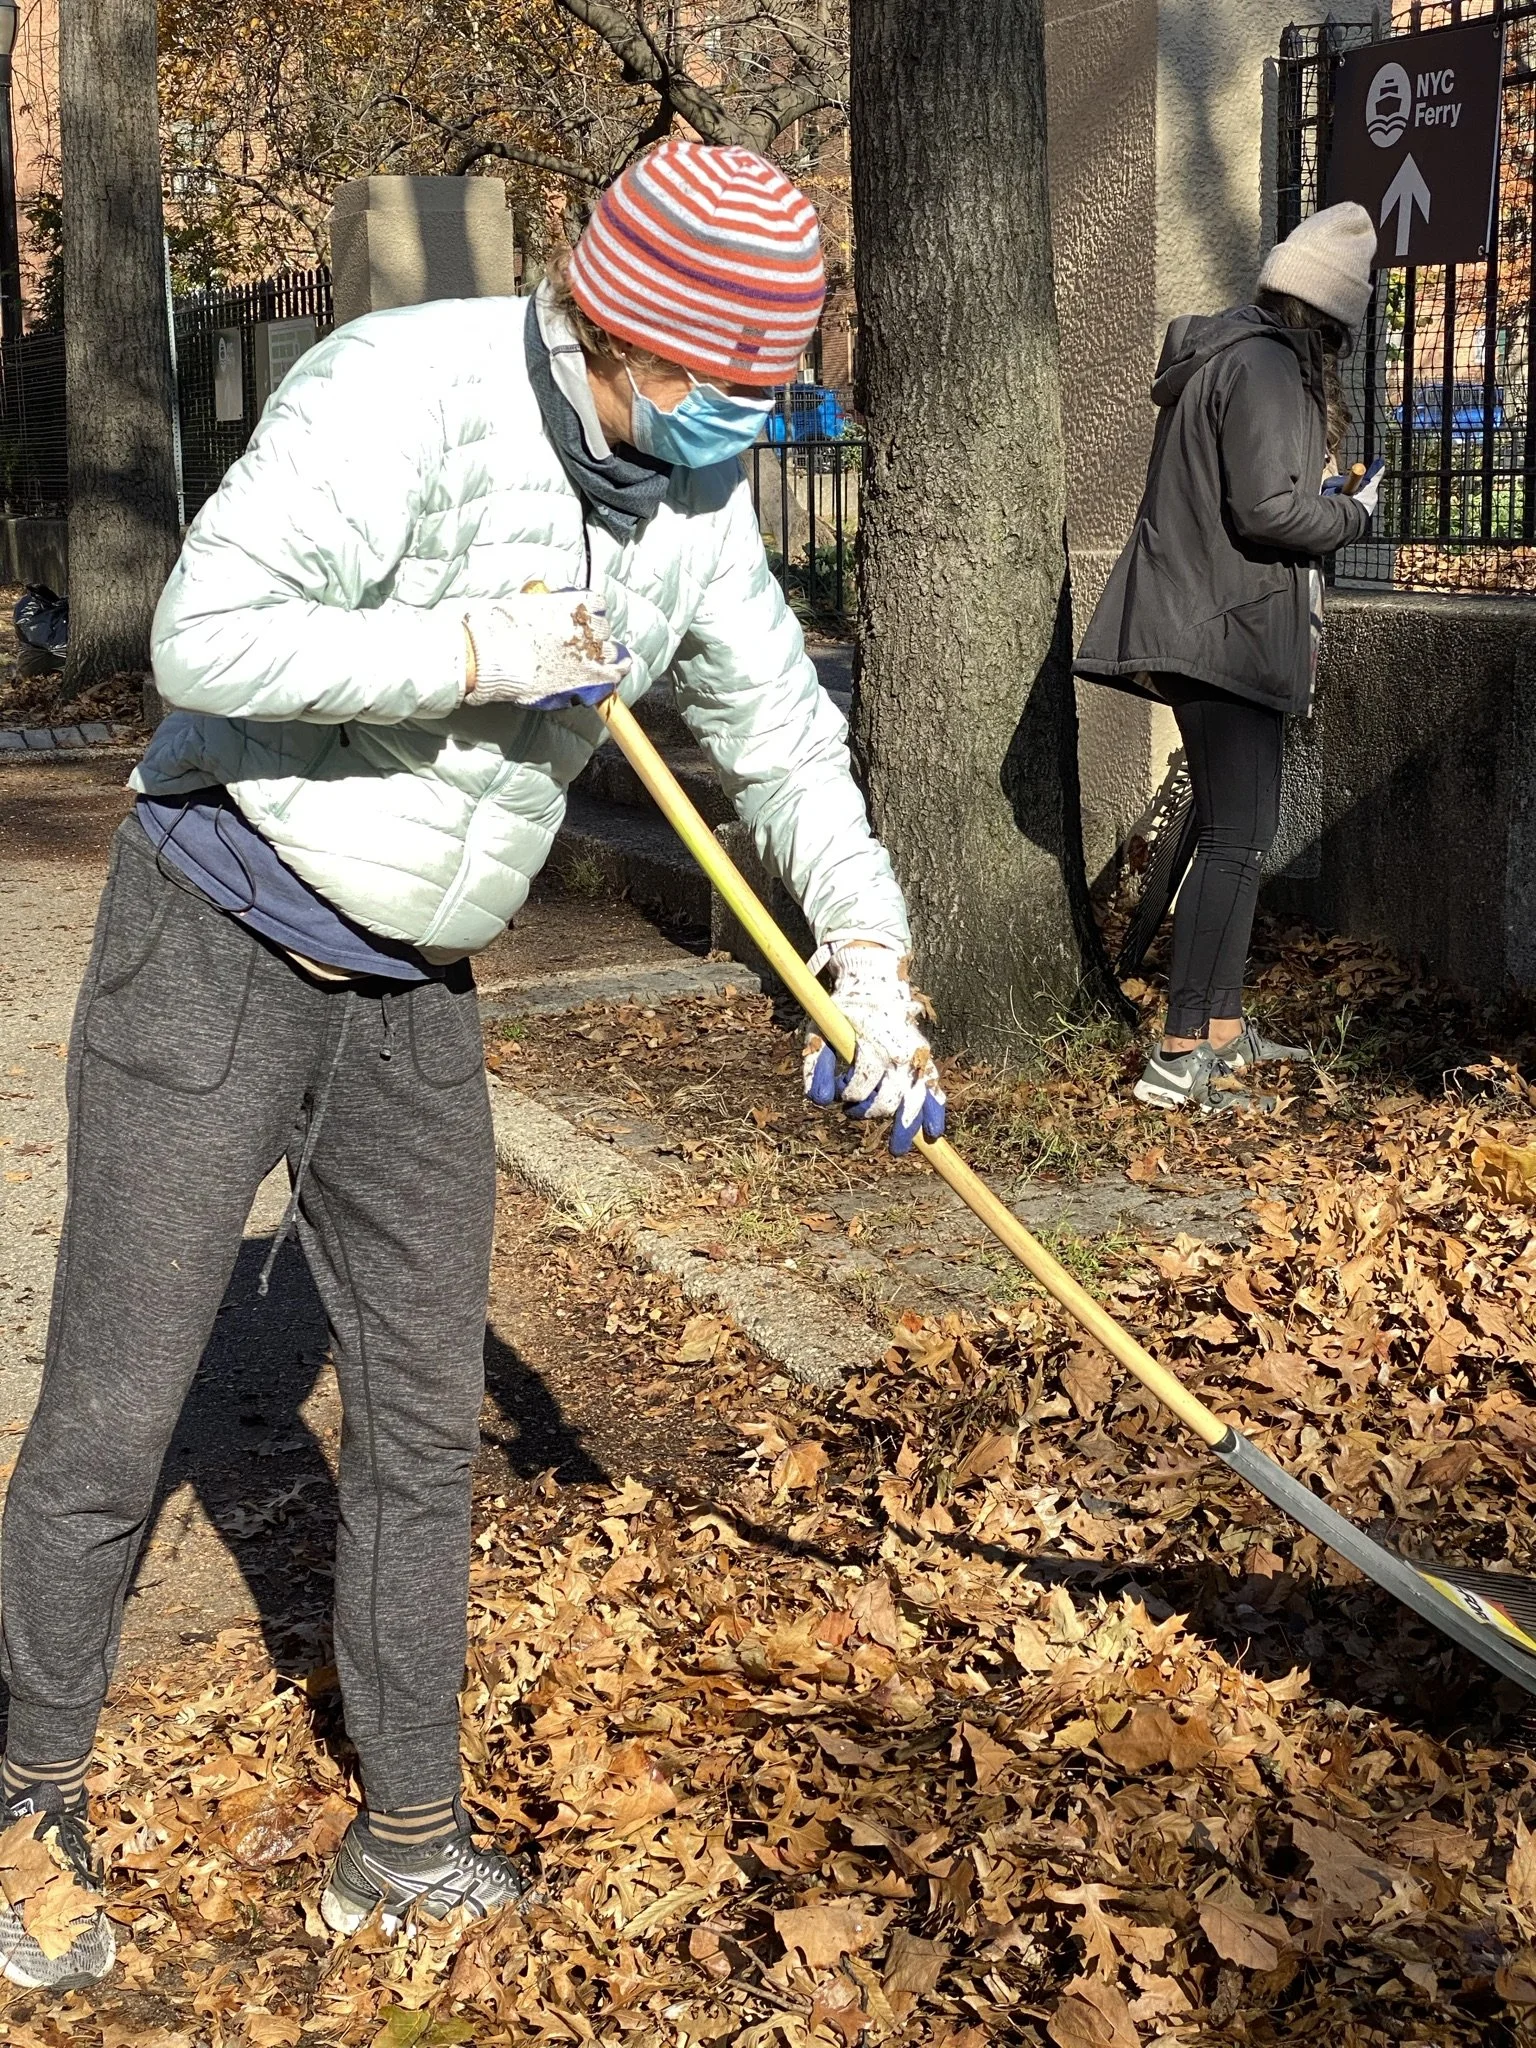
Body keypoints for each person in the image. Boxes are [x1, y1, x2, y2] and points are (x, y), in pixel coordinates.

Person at [0, 139, 944, 1990]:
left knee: (425, 1419)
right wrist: (475, 648)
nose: (755, 424)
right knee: (117, 1408)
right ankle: (27, 1795)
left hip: (416, 983)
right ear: (644, 348)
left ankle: (405, 1837)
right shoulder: (399, 393)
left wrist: (875, 957)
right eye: (739, 391)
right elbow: (206, 631)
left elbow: (783, 737)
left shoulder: (693, 498)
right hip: (218, 918)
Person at [1075, 202, 1381, 1113]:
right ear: (1332, 317)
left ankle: (1216, 1030)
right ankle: (1179, 1057)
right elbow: (1269, 512)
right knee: (1237, 847)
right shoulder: (1266, 369)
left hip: (1209, 623)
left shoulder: (1227, 356)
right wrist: (1352, 512)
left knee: (1229, 839)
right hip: (1226, 631)